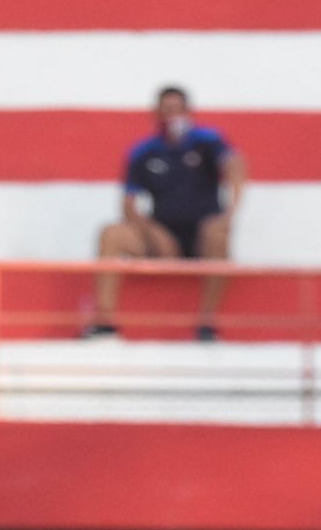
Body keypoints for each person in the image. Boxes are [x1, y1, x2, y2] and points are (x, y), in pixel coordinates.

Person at [84, 85, 247, 342]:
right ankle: (105, 323)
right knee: (111, 234)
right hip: (162, 236)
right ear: (156, 114)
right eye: (166, 110)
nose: (172, 115)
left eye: (177, 109)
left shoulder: (207, 141)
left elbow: (236, 167)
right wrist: (154, 231)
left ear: (189, 112)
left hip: (201, 237)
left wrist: (228, 216)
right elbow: (128, 204)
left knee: (218, 235)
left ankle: (206, 324)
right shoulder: (144, 150)